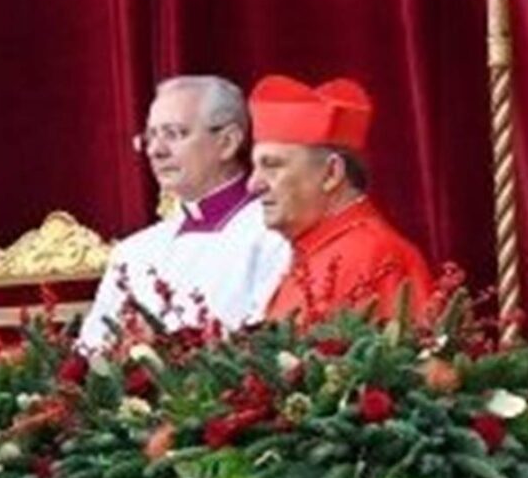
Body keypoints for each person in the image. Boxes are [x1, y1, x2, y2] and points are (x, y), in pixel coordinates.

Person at [78, 75, 292, 349]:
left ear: (228, 142)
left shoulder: (274, 235)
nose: (155, 150)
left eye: (174, 133)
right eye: (150, 136)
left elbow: (268, 346)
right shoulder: (132, 252)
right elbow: (92, 349)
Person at [247, 75, 436, 324]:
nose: (253, 185)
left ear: (331, 173)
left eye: (272, 165)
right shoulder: (312, 249)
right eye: (255, 167)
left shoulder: (378, 257)